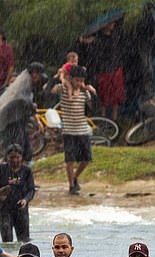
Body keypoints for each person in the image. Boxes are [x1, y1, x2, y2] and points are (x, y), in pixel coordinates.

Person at [53, 65, 97, 195]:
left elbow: (94, 107)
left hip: (82, 130)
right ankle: (72, 185)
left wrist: (93, 92)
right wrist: (62, 80)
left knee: (87, 158)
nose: (79, 83)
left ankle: (75, 177)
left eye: (81, 81)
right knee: (70, 160)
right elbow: (50, 89)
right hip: (68, 131)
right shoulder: (64, 90)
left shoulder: (85, 92)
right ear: (71, 79)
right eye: (76, 80)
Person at [79, 19, 126, 121]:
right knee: (104, 94)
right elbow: (90, 49)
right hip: (103, 69)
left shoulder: (116, 35)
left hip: (115, 67)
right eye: (110, 23)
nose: (112, 25)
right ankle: (103, 119)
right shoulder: (98, 38)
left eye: (113, 23)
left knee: (116, 94)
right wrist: (86, 41)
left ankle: (114, 118)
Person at [0, 144, 35, 243]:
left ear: (22, 157)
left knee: (24, 241)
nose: (15, 160)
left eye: (17, 157)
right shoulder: (0, 169)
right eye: (11, 157)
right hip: (4, 210)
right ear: (6, 157)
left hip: (21, 209)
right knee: (7, 242)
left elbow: (31, 190)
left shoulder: (26, 171)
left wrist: (25, 200)